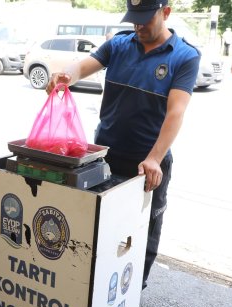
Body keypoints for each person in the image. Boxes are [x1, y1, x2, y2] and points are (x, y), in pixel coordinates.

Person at [46, 0, 200, 290]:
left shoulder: (184, 56)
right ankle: (94, 290)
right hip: (106, 157)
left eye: (146, 19)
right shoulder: (118, 45)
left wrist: (155, 158)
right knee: (100, 226)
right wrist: (65, 76)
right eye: (134, 19)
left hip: (147, 164)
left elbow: (176, 112)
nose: (138, 26)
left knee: (143, 230)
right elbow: (80, 68)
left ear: (165, 13)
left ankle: (130, 294)